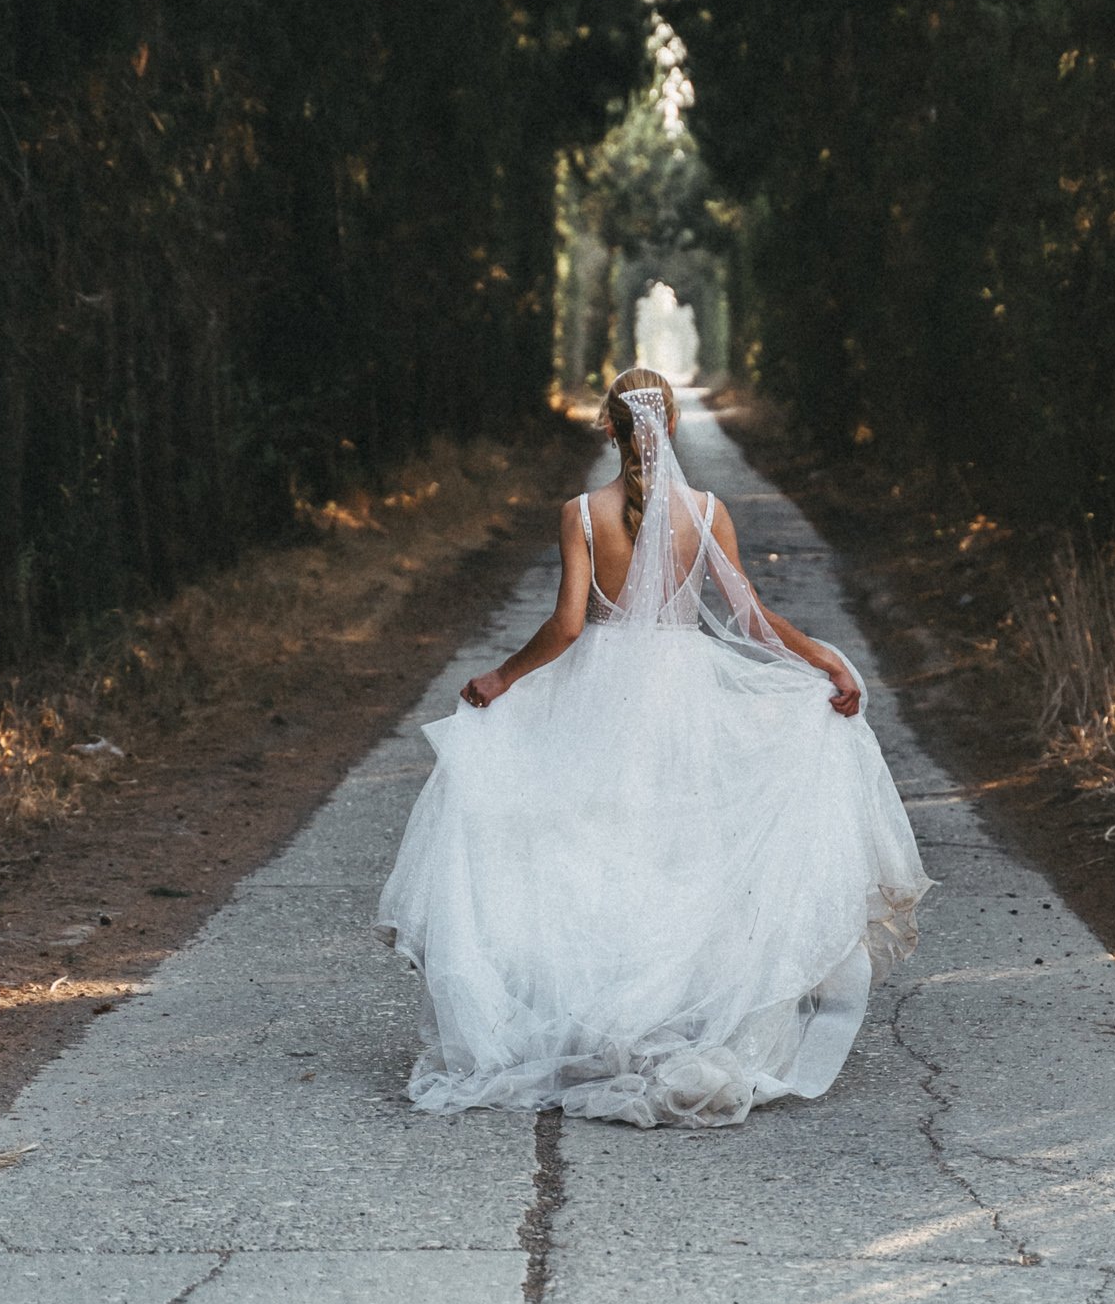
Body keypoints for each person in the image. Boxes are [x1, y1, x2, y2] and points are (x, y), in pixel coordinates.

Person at [377, 369, 931, 1127]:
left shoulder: (581, 513)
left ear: (608, 428)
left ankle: (600, 1027)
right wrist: (822, 661)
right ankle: (681, 1022)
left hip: (601, 689)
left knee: (600, 851)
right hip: (683, 689)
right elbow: (750, 616)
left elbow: (570, 626)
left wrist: (502, 676)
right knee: (682, 853)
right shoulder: (706, 511)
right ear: (667, 427)